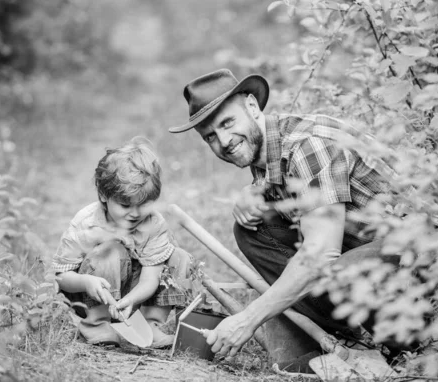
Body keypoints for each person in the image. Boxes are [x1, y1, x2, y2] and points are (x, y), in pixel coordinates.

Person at [169, 69, 407, 358]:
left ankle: (409, 346)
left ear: (253, 107)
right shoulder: (268, 148)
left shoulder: (310, 145)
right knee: (252, 229)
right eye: (210, 137)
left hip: (419, 253)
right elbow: (287, 188)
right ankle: (343, 338)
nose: (224, 141)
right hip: (370, 248)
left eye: (228, 122)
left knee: (334, 269)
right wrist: (256, 190)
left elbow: (321, 254)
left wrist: (248, 320)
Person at [52, 137, 194, 348]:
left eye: (144, 204)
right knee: (112, 251)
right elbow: (62, 277)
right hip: (90, 297)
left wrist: (132, 299)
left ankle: (149, 325)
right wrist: (86, 282)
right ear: (103, 195)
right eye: (125, 205)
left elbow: (150, 278)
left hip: (131, 298)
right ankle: (97, 324)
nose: (135, 213)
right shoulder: (87, 224)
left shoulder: (153, 223)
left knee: (179, 257)